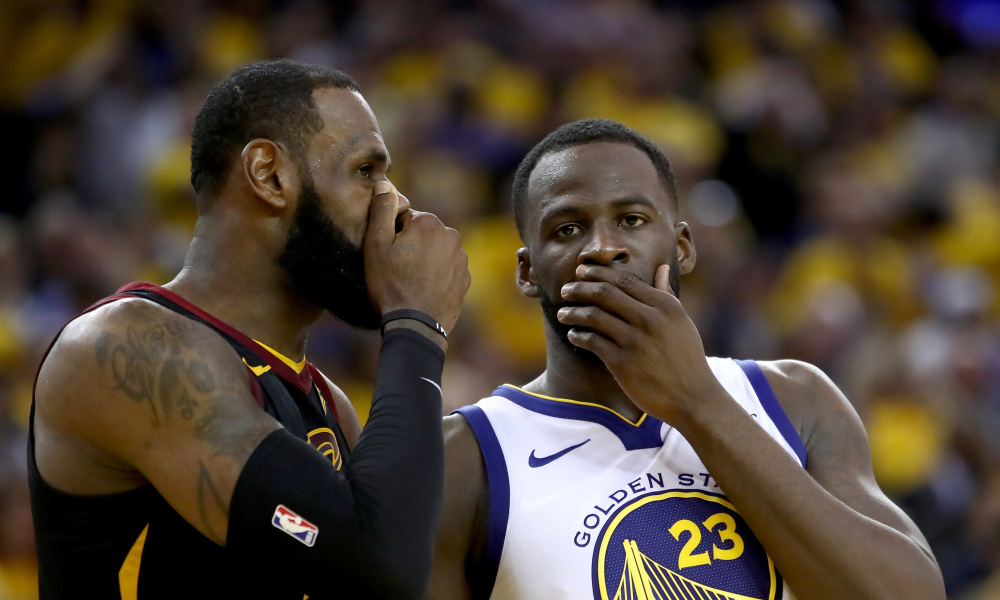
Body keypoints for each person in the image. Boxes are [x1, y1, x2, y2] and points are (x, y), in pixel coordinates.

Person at [426, 118, 945, 600]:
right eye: (567, 229)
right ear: (527, 273)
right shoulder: (463, 459)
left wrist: (698, 402)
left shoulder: (795, 397)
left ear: (683, 247)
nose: (603, 247)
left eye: (631, 219)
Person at [29, 59, 470, 599]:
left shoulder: (331, 406)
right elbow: (382, 565)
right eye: (365, 171)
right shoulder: (129, 345)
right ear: (269, 174)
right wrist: (417, 325)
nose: (395, 203)